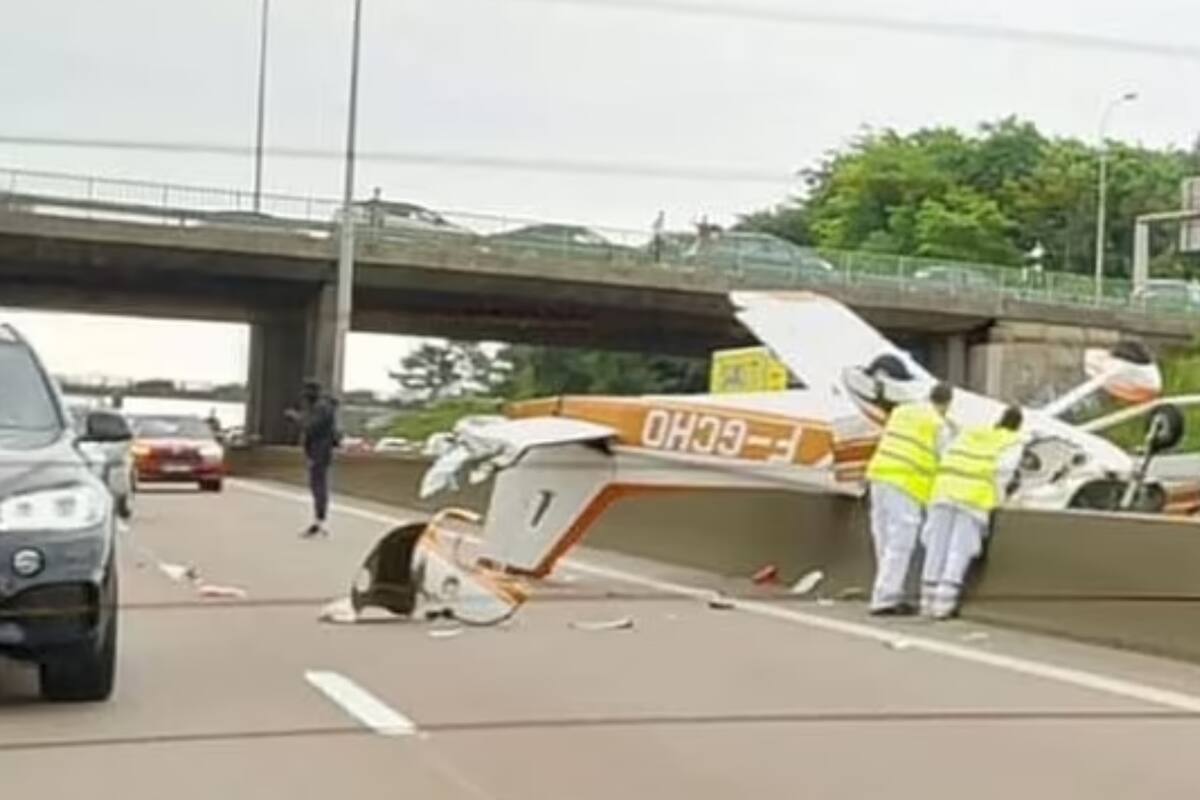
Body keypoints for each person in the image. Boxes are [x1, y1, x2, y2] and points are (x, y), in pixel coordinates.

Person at [919, 405, 1026, 620]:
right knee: (960, 549)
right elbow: (1002, 471)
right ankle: (943, 605)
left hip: (944, 489)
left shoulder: (972, 433)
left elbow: (946, 453)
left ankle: (926, 600)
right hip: (973, 496)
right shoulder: (1013, 442)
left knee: (936, 545)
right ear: (1018, 426)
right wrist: (999, 499)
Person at [864, 382, 954, 615]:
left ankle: (885, 591)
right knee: (901, 541)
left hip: (878, 476)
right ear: (946, 404)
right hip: (905, 484)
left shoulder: (902, 412)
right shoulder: (938, 424)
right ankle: (885, 599)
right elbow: (946, 460)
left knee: (883, 538)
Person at [286, 380, 339, 538]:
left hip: (319, 452)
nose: (304, 399)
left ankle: (319, 521)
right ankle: (319, 520)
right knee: (317, 486)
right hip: (319, 450)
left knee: (318, 486)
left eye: (306, 394)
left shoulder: (321, 408)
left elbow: (311, 427)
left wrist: (296, 418)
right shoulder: (323, 407)